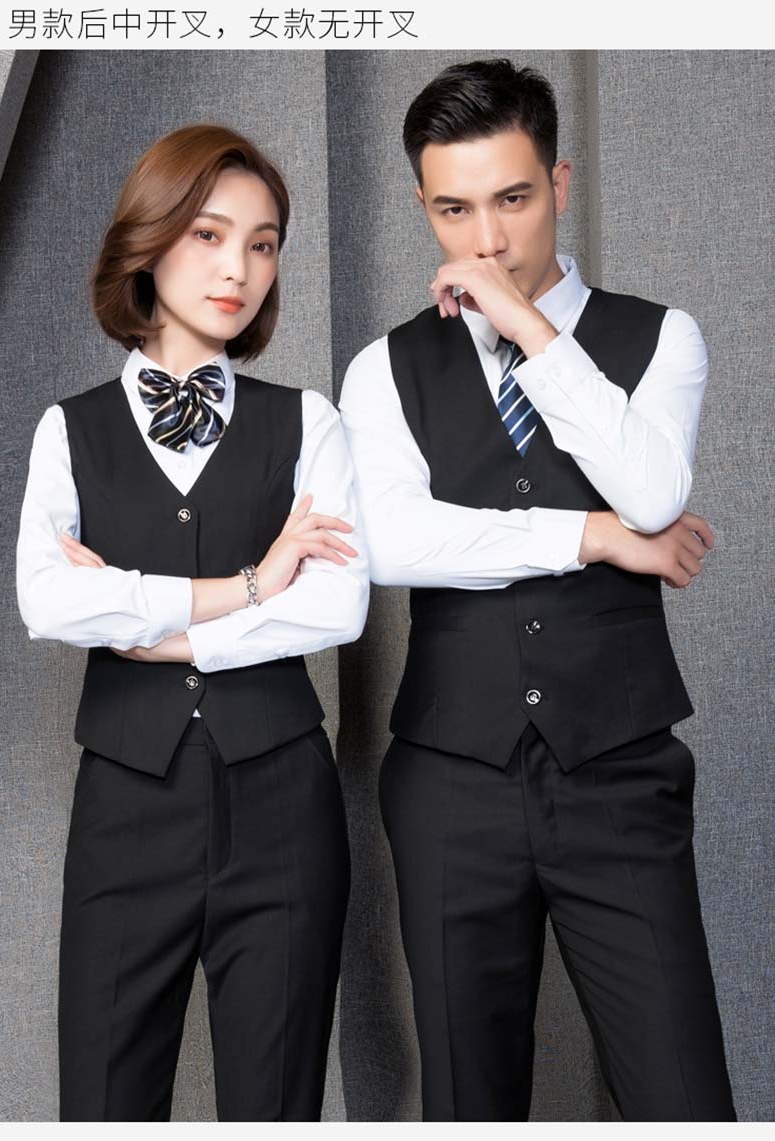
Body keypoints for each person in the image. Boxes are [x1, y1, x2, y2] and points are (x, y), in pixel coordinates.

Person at [339, 59, 735, 1122]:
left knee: (682, 1097)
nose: (486, 240)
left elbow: (653, 490)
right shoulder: (383, 370)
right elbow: (393, 544)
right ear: (424, 206)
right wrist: (591, 536)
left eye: (512, 199)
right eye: (453, 210)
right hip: (450, 783)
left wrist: (530, 330)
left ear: (558, 182)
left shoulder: (663, 338)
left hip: (619, 773)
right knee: (468, 1101)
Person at [16, 123, 369, 1121]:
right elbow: (50, 600)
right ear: (150, 237)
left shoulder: (310, 423)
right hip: (125, 810)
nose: (238, 269)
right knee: (104, 1105)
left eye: (263, 244)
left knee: (277, 1106)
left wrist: (152, 626)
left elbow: (337, 604)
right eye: (210, 234)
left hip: (283, 808)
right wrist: (254, 585)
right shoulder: (69, 430)